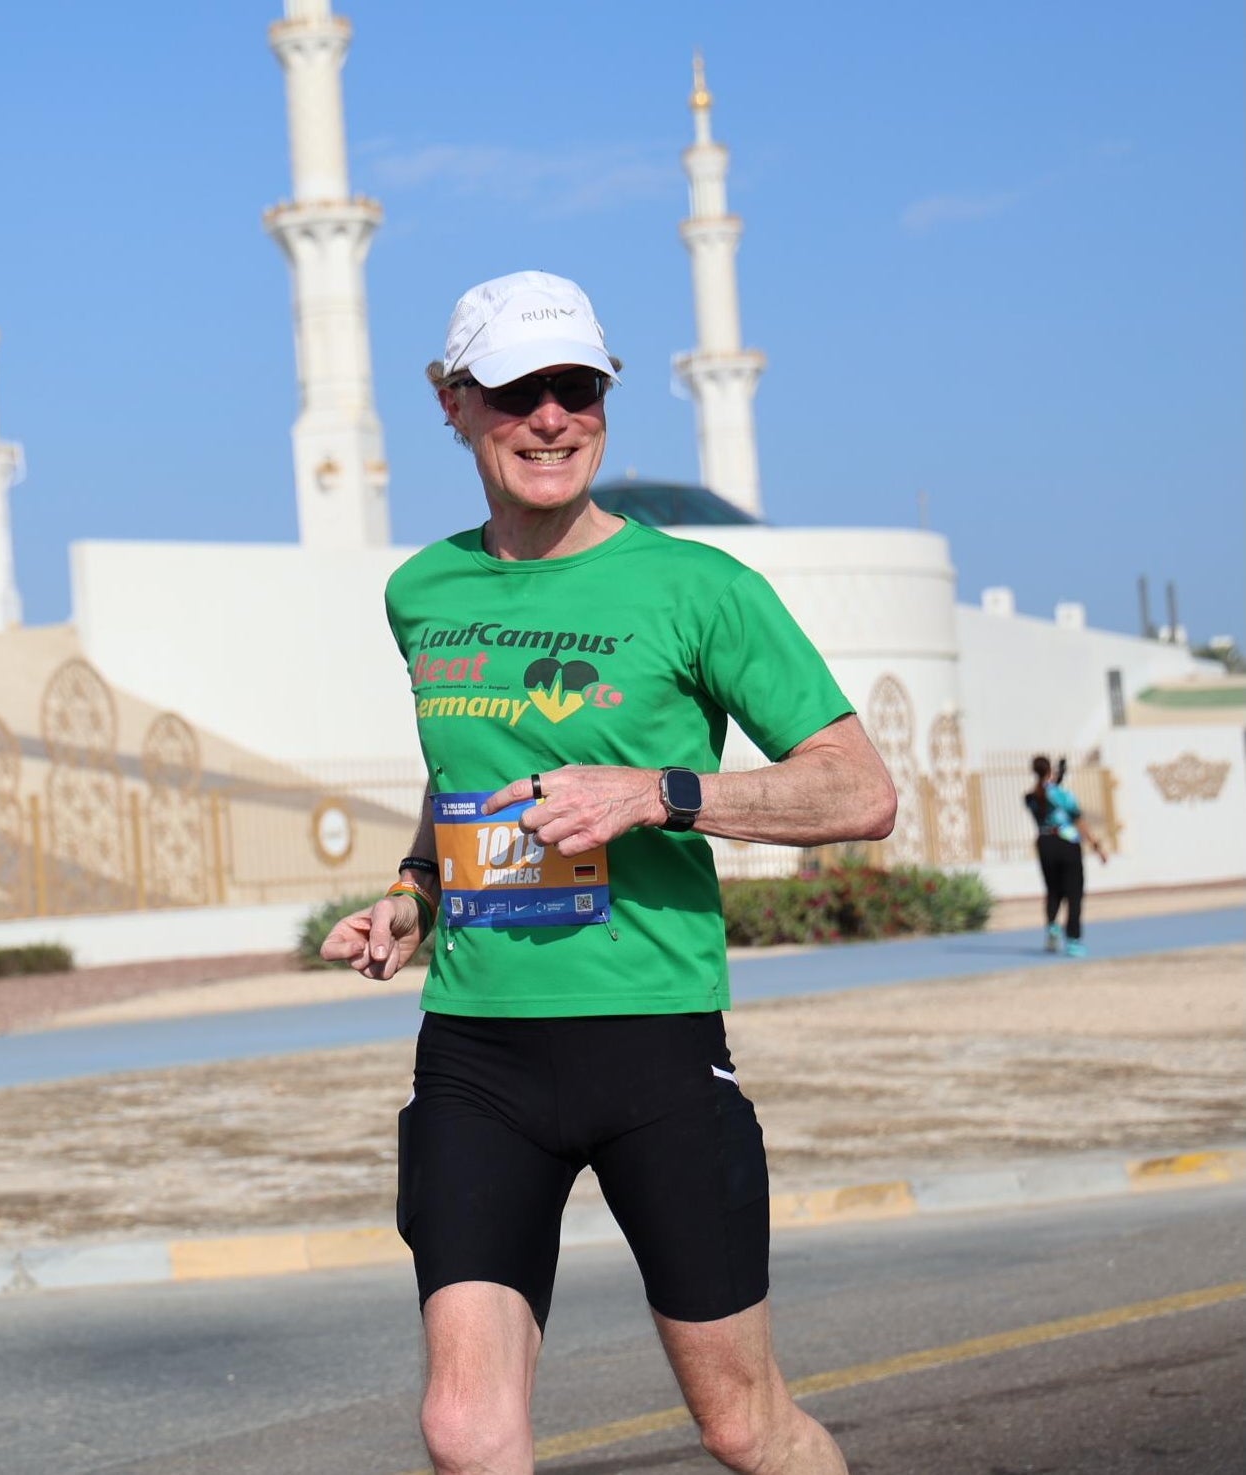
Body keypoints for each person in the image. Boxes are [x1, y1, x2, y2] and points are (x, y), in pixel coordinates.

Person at [320, 269, 897, 1475]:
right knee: (462, 1426)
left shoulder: (701, 588)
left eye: (574, 387)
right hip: (475, 1051)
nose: (549, 416)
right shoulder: (420, 592)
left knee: (742, 1424)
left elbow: (858, 790)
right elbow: (463, 771)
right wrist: (413, 891)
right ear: (451, 401)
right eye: (514, 389)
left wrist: (658, 793)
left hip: (652, 1044)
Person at [1024, 755, 1108, 957]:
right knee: (1074, 892)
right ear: (1049, 771)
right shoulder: (1061, 795)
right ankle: (1073, 940)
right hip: (1066, 842)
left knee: (1053, 889)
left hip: (1045, 843)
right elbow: (1078, 819)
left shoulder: (1030, 797)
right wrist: (1096, 845)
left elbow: (1043, 796)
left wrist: (1051, 782)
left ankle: (1052, 926)